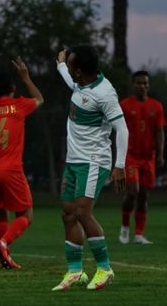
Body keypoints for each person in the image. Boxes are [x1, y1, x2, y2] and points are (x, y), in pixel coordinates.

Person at [52, 46, 129, 291]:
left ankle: (105, 269)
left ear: (81, 71)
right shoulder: (80, 83)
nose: (71, 71)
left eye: (73, 66)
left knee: (83, 212)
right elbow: (68, 79)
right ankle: (75, 271)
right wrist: (61, 64)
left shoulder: (105, 93)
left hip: (94, 161)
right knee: (68, 213)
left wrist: (119, 165)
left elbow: (123, 129)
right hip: (74, 161)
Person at [0, 57, 44, 269]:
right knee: (26, 215)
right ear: (13, 88)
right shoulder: (19, 105)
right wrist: (26, 76)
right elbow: (39, 99)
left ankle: (3, 259)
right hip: (11, 169)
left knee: (1, 213)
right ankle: (3, 243)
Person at [118, 70, 166, 245]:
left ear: (148, 85)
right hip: (130, 155)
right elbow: (117, 129)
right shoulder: (124, 105)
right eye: (138, 83)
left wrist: (160, 154)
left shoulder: (157, 106)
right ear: (133, 85)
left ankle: (139, 234)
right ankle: (124, 228)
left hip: (148, 157)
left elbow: (160, 132)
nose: (142, 86)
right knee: (133, 191)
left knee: (144, 195)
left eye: (145, 83)